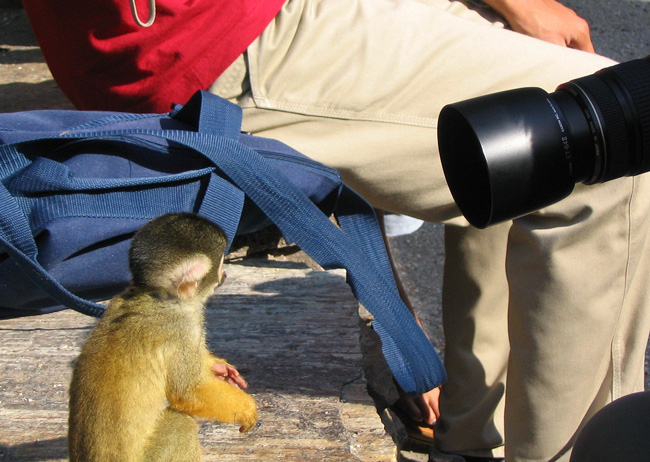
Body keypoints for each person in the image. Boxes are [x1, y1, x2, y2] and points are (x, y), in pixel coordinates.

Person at [21, 0, 650, 461]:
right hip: (219, 35)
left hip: (201, 28)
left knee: (514, 134)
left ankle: (473, 438)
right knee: (598, 146)